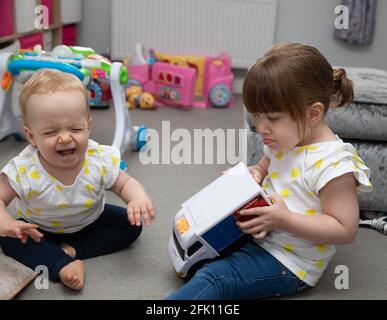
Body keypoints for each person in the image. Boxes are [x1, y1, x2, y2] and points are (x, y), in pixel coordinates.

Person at [167, 42, 372, 300]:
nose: (261, 128)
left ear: (313, 114)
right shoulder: (286, 138)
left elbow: (344, 229)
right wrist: (255, 174)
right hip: (262, 231)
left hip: (290, 260)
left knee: (214, 278)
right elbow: (265, 166)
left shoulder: (334, 165)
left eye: (272, 118)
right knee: (198, 236)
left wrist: (284, 219)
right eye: (257, 117)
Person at [0, 69, 155, 290]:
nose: (65, 137)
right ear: (32, 136)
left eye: (75, 128)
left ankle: (70, 250)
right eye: (51, 132)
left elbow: (125, 183)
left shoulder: (97, 159)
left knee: (130, 225)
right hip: (38, 230)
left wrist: (137, 198)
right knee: (10, 239)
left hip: (89, 221)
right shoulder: (25, 168)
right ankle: (61, 264)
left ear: (88, 126)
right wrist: (4, 221)